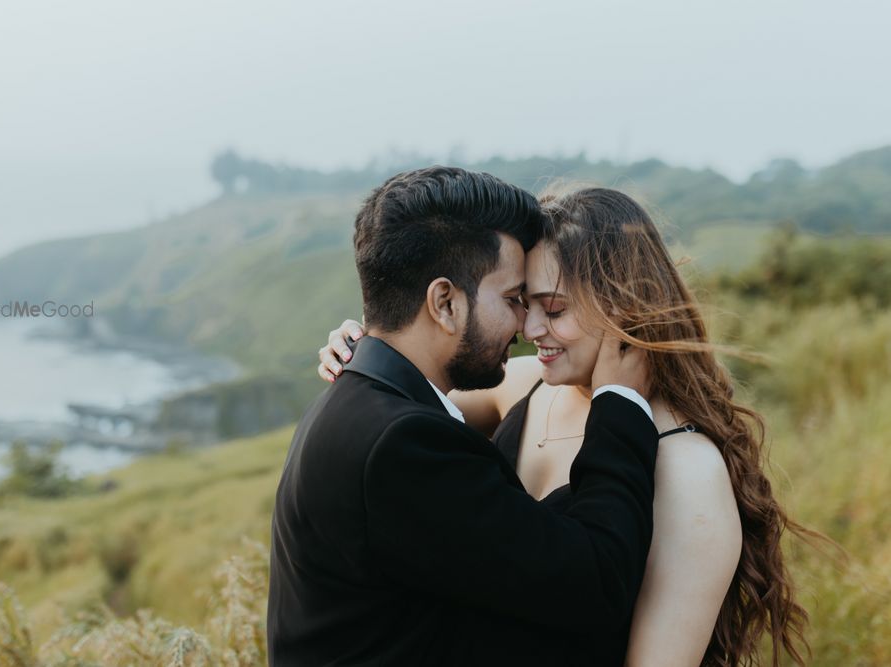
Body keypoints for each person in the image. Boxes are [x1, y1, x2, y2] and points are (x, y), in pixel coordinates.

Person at [320, 186, 811, 666]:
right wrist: (369, 351)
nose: (530, 330)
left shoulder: (687, 469)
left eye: (554, 309)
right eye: (521, 302)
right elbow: (404, 415)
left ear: (625, 306)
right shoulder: (525, 384)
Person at [269, 167, 662, 666]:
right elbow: (598, 583)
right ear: (444, 303)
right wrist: (621, 401)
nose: (525, 325)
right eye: (514, 300)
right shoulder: (403, 444)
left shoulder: (365, 395)